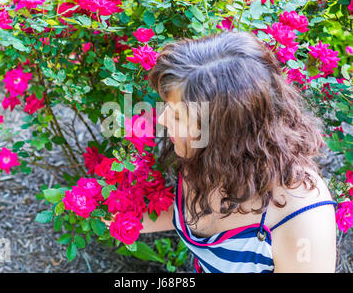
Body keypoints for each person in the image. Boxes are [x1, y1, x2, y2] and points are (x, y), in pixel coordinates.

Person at [137, 31, 337, 273]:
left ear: (228, 134)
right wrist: (125, 220)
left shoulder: (300, 218)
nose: (162, 118)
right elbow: (192, 214)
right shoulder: (203, 155)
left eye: (178, 115)